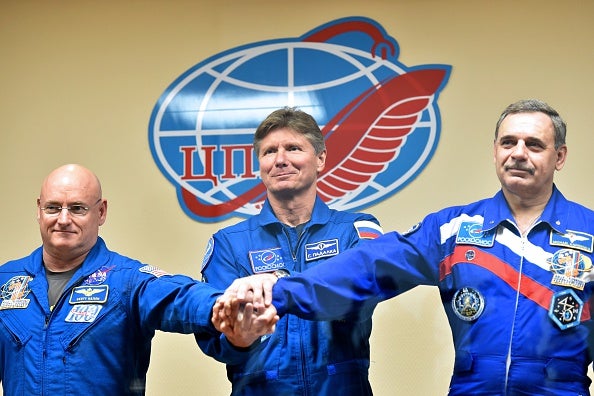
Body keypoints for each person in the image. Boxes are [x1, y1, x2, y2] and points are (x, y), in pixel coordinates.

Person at [216, 99, 594, 395]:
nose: (518, 153)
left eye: (534, 144)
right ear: (495, 150)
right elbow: (367, 268)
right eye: (508, 142)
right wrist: (277, 292)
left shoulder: (589, 233)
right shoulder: (453, 230)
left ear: (559, 156)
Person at [0, 164, 276, 395]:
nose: (63, 219)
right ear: (38, 210)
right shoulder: (6, 281)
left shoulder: (126, 281)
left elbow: (180, 296)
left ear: (101, 212)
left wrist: (229, 302)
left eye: (77, 208)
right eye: (52, 208)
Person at [198, 107, 384, 395]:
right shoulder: (229, 243)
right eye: (269, 152)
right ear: (260, 164)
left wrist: (276, 282)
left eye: (293, 148)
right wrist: (238, 337)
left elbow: (363, 292)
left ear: (321, 158)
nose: (280, 160)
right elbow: (214, 334)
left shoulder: (356, 229)